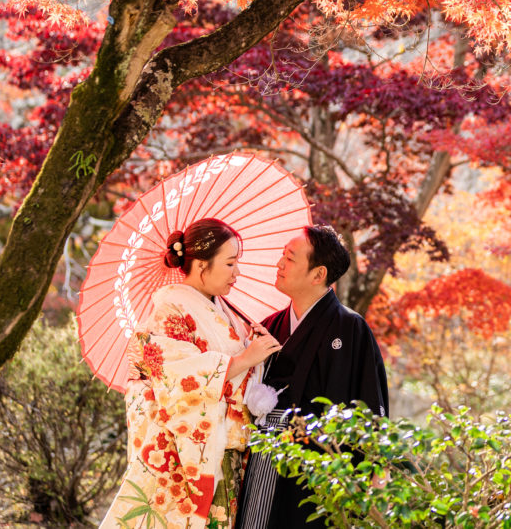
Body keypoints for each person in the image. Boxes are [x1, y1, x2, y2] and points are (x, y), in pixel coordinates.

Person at [100, 218, 282, 529]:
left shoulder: (223, 310)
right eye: (230, 263)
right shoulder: (170, 310)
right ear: (200, 265)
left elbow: (236, 372)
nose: (237, 273)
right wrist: (245, 358)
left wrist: (254, 349)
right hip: (195, 458)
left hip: (228, 453)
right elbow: (176, 378)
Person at [236, 225, 389, 529]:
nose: (279, 264)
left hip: (320, 463)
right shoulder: (268, 327)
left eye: (290, 259)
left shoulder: (350, 328)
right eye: (282, 256)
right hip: (266, 454)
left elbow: (370, 405)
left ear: (318, 274)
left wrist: (375, 466)